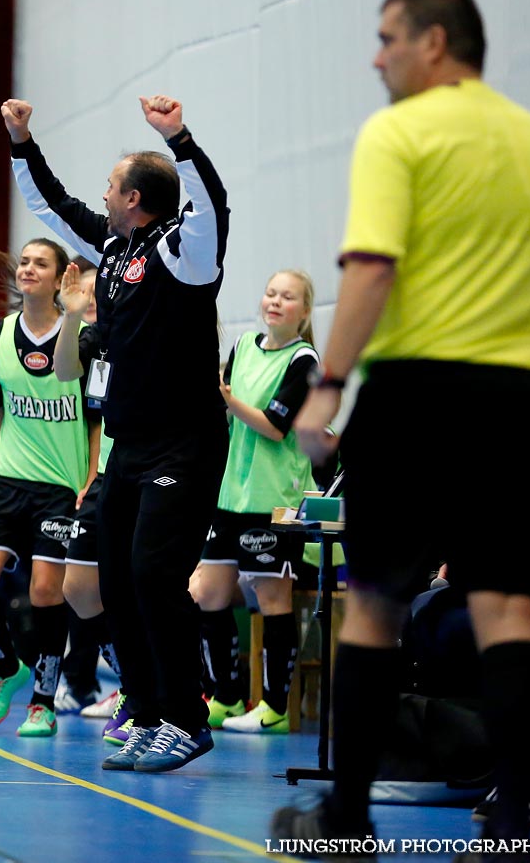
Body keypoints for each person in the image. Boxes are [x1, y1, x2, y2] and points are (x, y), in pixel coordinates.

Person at [271, 0, 530, 859]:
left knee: (374, 608)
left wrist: (329, 387)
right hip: (519, 398)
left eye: (387, 37)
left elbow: (370, 270)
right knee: (508, 609)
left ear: (435, 42)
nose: (377, 55)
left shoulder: (399, 132)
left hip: (420, 392)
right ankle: (514, 819)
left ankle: (347, 821)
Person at [3, 93, 230, 773]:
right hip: (128, 445)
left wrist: (179, 139)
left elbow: (213, 206)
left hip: (183, 442)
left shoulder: (185, 254)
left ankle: (188, 720)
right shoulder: (112, 247)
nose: (101, 194)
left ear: (135, 197)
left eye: (111, 185)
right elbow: (51, 205)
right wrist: (21, 142)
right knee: (119, 584)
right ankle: (148, 711)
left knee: (157, 576)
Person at [0, 239, 90, 737]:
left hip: (60, 485)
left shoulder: (83, 337)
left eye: (42, 263)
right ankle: (7, 669)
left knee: (45, 592)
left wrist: (91, 476)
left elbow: (94, 419)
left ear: (60, 279)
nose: (29, 268)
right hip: (7, 480)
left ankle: (43, 701)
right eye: (25, 262)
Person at [191, 269, 320, 735]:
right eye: (270, 293)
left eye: (288, 297)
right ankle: (224, 696)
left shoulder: (305, 361)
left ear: (304, 311)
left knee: (271, 597)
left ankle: (274, 707)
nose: (275, 302)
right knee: (207, 591)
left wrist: (226, 398)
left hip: (273, 500)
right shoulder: (243, 347)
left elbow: (273, 426)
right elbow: (222, 415)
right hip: (230, 494)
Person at [53, 263, 127, 737]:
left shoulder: (150, 329)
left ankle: (152, 697)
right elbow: (64, 372)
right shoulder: (95, 336)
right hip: (105, 474)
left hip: (153, 472)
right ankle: (133, 682)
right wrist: (71, 316)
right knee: (78, 588)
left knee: (136, 589)